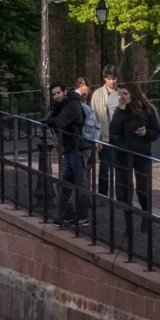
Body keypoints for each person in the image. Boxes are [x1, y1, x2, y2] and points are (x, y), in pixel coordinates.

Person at [108, 82, 160, 234]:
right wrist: (121, 111)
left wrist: (146, 133)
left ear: (133, 94)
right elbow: (113, 131)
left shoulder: (147, 110)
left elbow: (157, 131)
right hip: (124, 154)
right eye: (120, 94)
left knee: (142, 189)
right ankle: (128, 224)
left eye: (125, 94)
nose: (122, 97)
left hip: (142, 153)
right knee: (126, 190)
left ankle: (146, 217)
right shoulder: (121, 111)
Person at [45, 80, 87, 224]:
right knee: (65, 182)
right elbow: (53, 119)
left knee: (80, 182)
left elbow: (58, 122)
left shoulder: (72, 105)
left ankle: (82, 216)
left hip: (77, 148)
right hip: (69, 149)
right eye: (53, 94)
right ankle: (67, 214)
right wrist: (51, 120)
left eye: (58, 93)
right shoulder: (61, 106)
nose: (56, 96)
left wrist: (50, 121)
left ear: (64, 92)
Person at [88, 66, 121, 193]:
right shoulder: (97, 94)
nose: (113, 82)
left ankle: (120, 195)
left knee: (119, 168)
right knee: (104, 167)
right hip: (104, 136)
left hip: (119, 136)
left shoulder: (121, 93)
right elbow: (94, 117)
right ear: (105, 79)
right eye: (110, 79)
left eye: (115, 79)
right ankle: (103, 193)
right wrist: (96, 138)